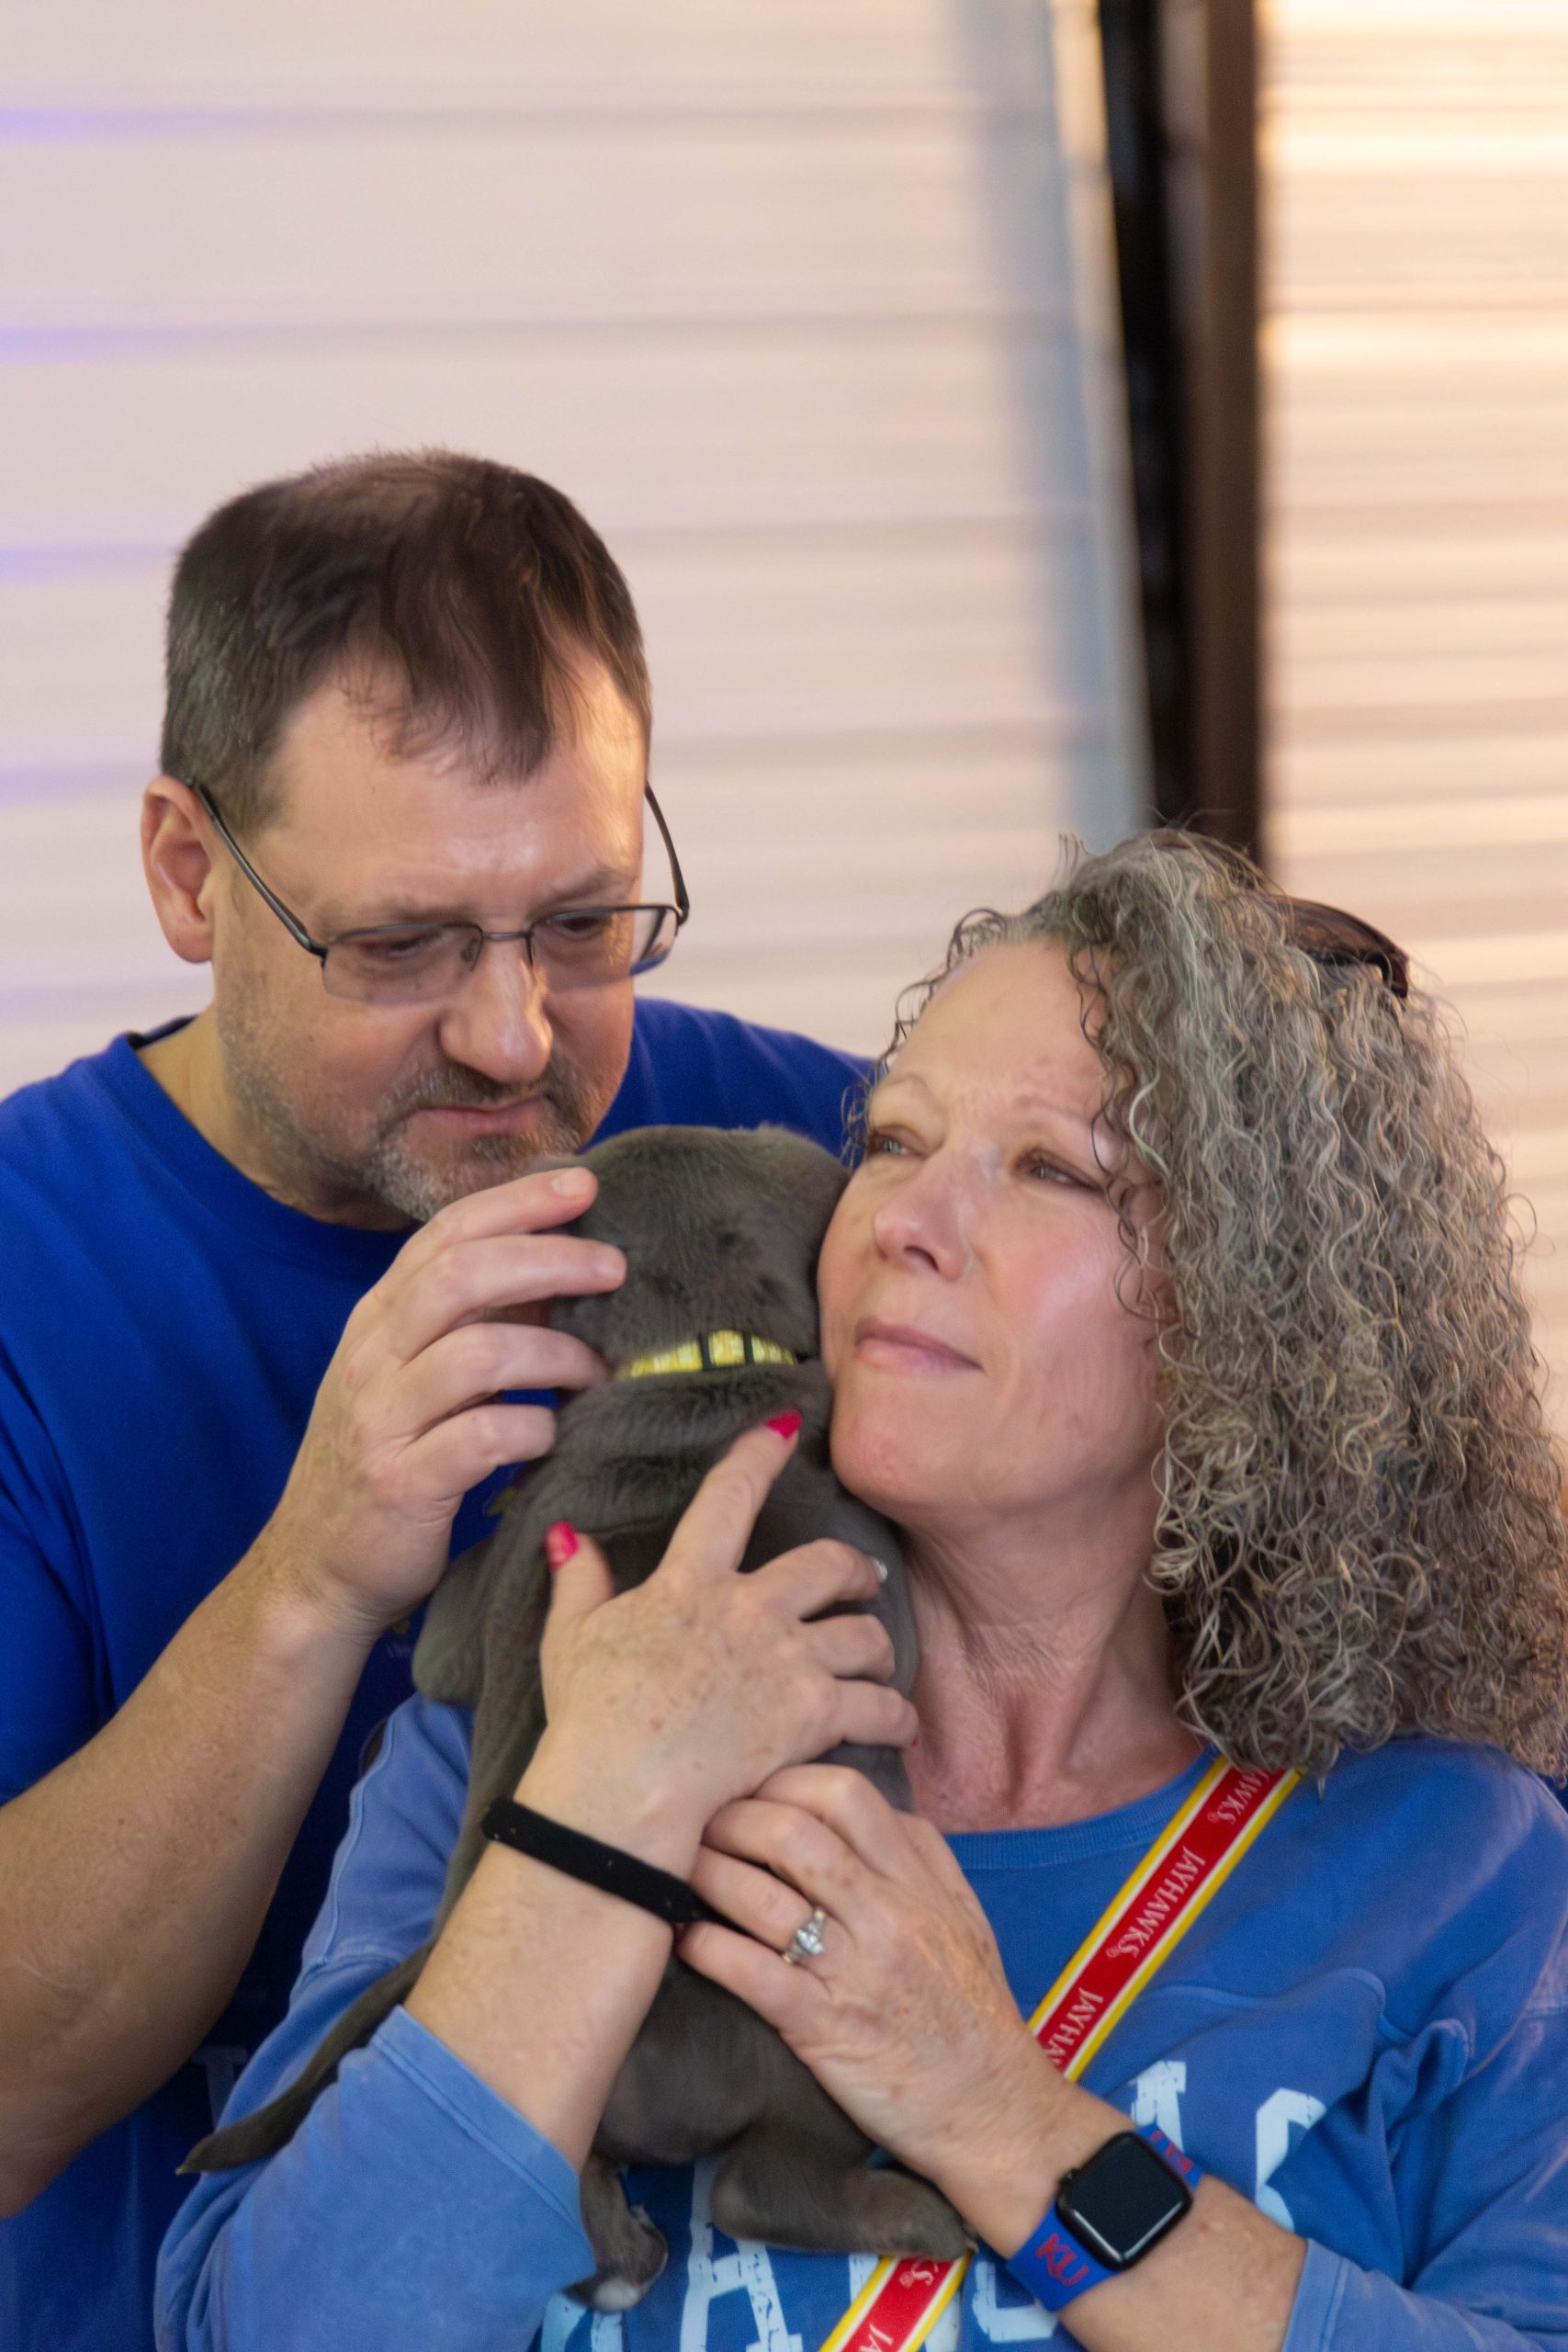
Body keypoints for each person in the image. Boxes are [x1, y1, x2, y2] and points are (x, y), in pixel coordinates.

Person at [159, 832, 1568, 2352]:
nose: (903, 1219)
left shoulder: (1455, 1867)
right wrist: (594, 1823)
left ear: (1257, 1321)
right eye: (894, 1140)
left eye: (1049, 1169)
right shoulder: (537, 1711)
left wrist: (997, 2111)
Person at [0, 451, 863, 2352]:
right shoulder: (28, 1283)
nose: (510, 1032)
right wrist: (310, 1582)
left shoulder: (801, 1156)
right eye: (398, 945)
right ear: (186, 873)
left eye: (585, 924)